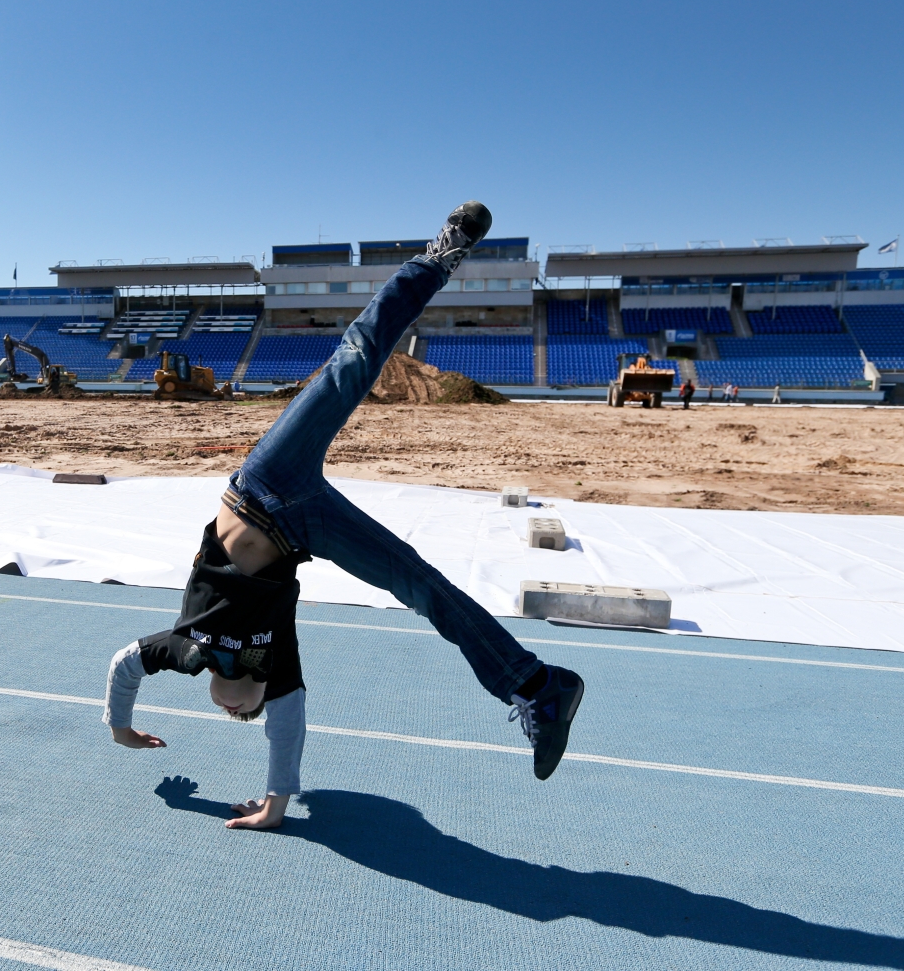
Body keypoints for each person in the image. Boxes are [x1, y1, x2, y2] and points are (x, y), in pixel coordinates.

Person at [104, 202, 586, 831]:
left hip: (263, 481)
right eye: (242, 713)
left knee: (353, 361)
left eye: (228, 710)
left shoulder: (184, 651)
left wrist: (120, 728)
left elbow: (123, 666)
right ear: (260, 700)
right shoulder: (274, 665)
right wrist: (275, 805)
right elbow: (288, 726)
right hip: (305, 527)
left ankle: (439, 255)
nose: (230, 705)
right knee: (422, 585)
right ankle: (539, 687)